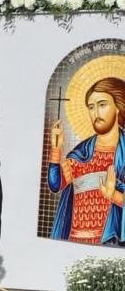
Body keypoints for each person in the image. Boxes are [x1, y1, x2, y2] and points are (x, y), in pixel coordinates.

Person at [47, 77, 124, 244]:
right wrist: (56, 149)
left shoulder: (122, 154)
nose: (96, 113)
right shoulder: (82, 152)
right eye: (91, 107)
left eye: (102, 105)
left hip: (111, 244)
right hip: (75, 242)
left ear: (118, 107)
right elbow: (55, 184)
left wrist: (114, 196)